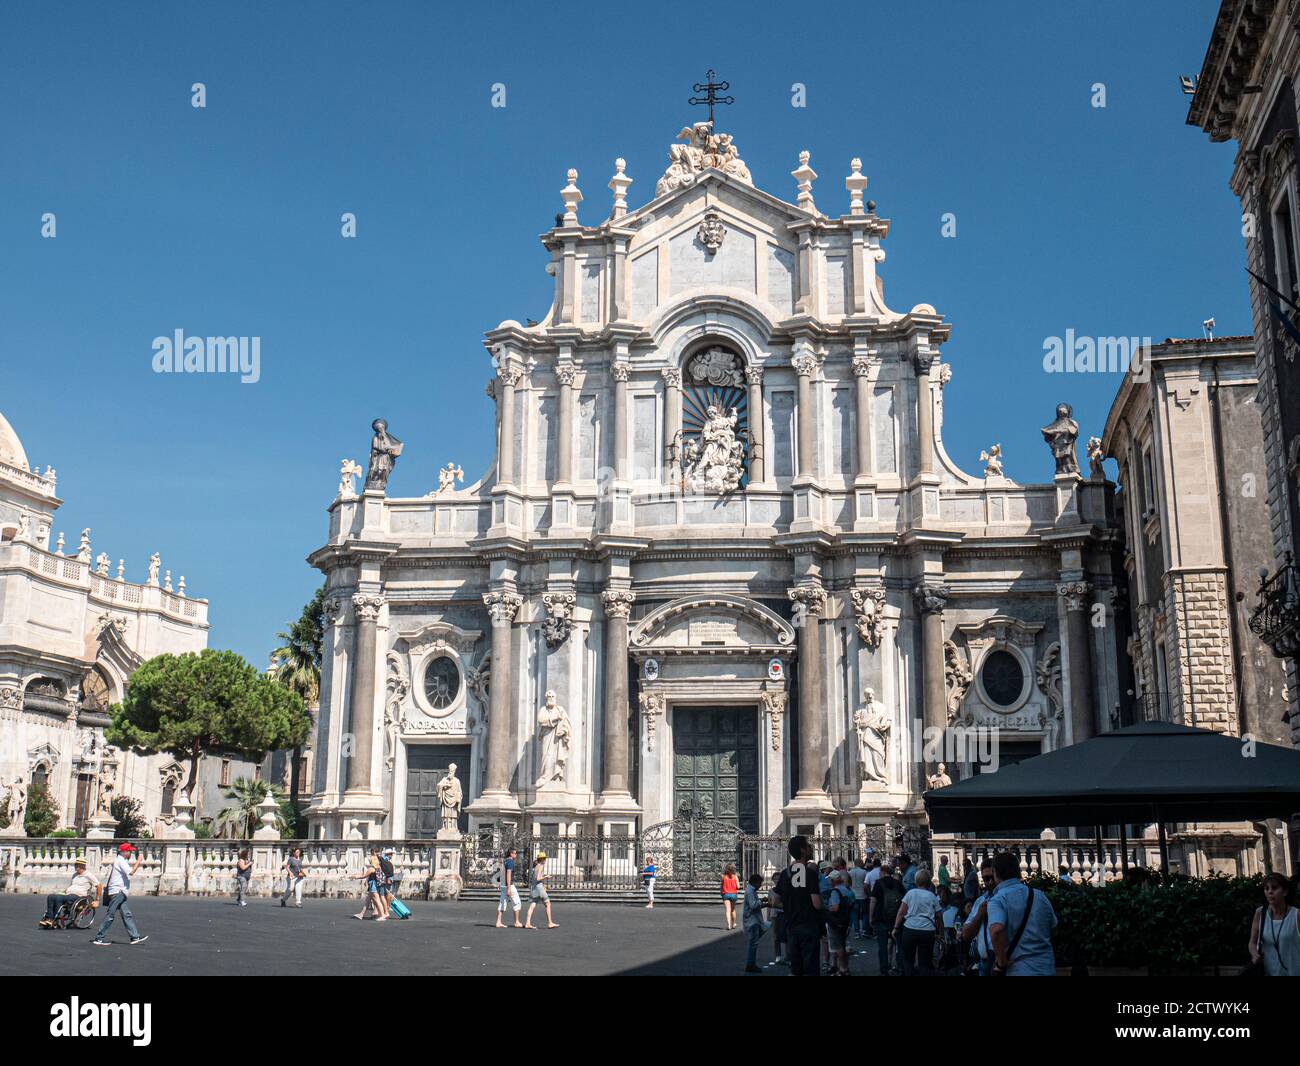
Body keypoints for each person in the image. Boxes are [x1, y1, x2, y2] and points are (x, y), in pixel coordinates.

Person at [986, 850, 1057, 975]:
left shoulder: (998, 899)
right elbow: (1053, 926)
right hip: (1046, 968)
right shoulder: (1039, 896)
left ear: (995, 872)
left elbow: (996, 930)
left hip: (1019, 970)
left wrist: (1001, 962)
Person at [769, 835, 824, 976]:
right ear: (803, 850)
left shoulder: (784, 874)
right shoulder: (810, 873)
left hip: (792, 926)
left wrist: (789, 906)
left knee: (796, 968)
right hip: (809, 926)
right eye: (808, 845)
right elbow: (817, 904)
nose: (811, 847)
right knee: (811, 968)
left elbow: (775, 901)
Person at [92, 842, 147, 946]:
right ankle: (99, 937)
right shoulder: (120, 861)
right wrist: (138, 861)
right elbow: (131, 872)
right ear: (124, 852)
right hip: (118, 891)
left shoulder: (120, 860)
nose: (131, 853)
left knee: (126, 914)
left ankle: (134, 937)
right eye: (129, 851)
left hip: (119, 891)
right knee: (110, 915)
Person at [1248, 871, 1300, 976]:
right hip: (1269, 972)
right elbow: (1252, 943)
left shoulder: (1296, 915)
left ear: (1285, 892)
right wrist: (1254, 954)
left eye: (1274, 888)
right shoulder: (1260, 913)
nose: (1270, 892)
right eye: (1266, 888)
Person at [893, 867, 942, 976]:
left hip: (910, 929)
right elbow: (939, 916)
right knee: (925, 962)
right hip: (927, 930)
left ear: (916, 881)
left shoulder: (910, 893)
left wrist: (896, 927)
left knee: (908, 960)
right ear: (929, 882)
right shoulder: (933, 896)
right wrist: (940, 933)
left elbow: (901, 912)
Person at [959, 858, 997, 975]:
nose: (990, 882)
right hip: (985, 962)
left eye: (992, 878)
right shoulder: (980, 902)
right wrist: (980, 914)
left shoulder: (1007, 898)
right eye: (986, 879)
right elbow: (966, 934)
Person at [40, 857, 100, 928]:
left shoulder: (88, 875)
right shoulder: (75, 875)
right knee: (51, 897)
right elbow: (72, 886)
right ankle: (48, 918)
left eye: (77, 865)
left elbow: (99, 885)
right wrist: (65, 891)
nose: (76, 866)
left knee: (59, 898)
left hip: (78, 897)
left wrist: (97, 900)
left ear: (82, 866)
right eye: (75, 865)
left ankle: (53, 920)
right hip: (69, 895)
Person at [868, 862, 903, 975]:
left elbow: (873, 901)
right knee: (899, 944)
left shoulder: (878, 884)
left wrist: (871, 917)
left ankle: (884, 968)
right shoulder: (897, 883)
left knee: (882, 946)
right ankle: (900, 965)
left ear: (883, 872)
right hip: (896, 918)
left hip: (881, 918)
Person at [825, 871, 854, 976]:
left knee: (838, 947)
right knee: (842, 944)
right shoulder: (846, 890)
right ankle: (845, 968)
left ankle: (843, 969)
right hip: (845, 920)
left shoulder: (835, 891)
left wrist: (827, 908)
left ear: (833, 880)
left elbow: (835, 907)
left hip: (836, 921)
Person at [742, 872, 769, 973]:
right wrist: (763, 902)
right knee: (753, 943)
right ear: (755, 882)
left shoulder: (751, 890)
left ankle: (751, 963)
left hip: (753, 920)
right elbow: (753, 905)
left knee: (754, 942)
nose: (760, 886)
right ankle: (750, 964)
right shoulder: (750, 891)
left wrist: (763, 902)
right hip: (752, 921)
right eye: (760, 883)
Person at [525, 852, 559, 929]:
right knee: (548, 903)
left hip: (534, 887)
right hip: (539, 887)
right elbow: (538, 878)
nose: (545, 860)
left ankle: (527, 923)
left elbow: (536, 877)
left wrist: (543, 876)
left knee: (533, 904)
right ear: (542, 859)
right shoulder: (541, 866)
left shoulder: (536, 866)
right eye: (545, 858)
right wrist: (546, 876)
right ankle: (550, 923)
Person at [353, 846, 386, 920]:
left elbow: (363, 876)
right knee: (367, 901)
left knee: (377, 901)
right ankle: (361, 914)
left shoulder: (371, 868)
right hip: (374, 884)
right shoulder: (378, 867)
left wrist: (355, 877)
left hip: (373, 885)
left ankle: (382, 915)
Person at [495, 847, 523, 928]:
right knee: (517, 902)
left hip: (503, 884)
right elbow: (508, 874)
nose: (516, 854)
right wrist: (509, 888)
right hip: (509, 885)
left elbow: (501, 873)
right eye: (515, 853)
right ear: (511, 854)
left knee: (502, 903)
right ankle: (517, 922)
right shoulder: (510, 861)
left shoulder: (505, 861)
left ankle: (498, 922)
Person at [848, 857, 869, 939]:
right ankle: (864, 930)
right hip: (863, 895)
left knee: (854, 914)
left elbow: (848, 884)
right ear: (860, 863)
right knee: (865, 913)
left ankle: (856, 931)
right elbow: (866, 884)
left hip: (854, 895)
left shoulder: (850, 872)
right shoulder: (864, 872)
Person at [721, 863, 740, 931]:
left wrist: (722, 892)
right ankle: (734, 923)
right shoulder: (735, 876)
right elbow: (738, 886)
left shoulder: (723, 876)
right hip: (733, 894)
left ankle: (728, 925)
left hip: (725, 894)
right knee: (733, 909)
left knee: (727, 910)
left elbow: (721, 886)